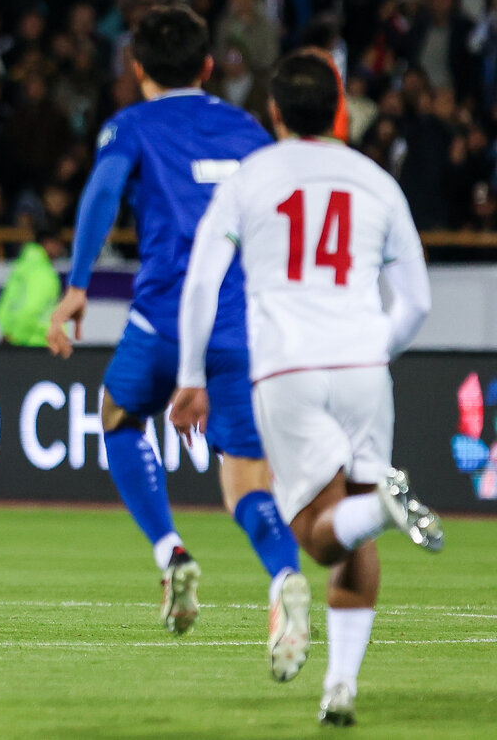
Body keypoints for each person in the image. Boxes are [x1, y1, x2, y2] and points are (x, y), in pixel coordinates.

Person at [172, 50, 442, 727]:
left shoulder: (251, 177)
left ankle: (383, 508)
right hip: (364, 366)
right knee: (354, 525)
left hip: (288, 368)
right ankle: (340, 685)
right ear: (339, 109)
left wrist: (191, 377)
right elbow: (416, 301)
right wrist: (375, 348)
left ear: (274, 112)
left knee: (317, 537)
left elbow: (203, 281)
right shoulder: (377, 181)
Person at [46, 6, 305, 659]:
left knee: (117, 414)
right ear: (208, 66)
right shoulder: (248, 129)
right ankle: (284, 576)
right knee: (248, 479)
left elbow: (102, 192)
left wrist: (78, 283)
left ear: (137, 68)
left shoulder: (130, 125)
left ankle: (171, 551)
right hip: (239, 325)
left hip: (164, 317)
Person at [0, 220, 64, 347]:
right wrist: (16, 338)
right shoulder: (43, 273)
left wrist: (8, 333)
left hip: (14, 340)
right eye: (58, 243)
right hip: (35, 344)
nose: (61, 248)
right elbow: (31, 310)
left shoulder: (21, 267)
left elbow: (4, 307)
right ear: (48, 242)